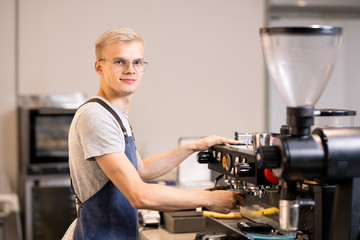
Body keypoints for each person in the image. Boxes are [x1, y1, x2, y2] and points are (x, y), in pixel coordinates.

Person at [62, 27, 245, 240]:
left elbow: (141, 169)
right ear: (99, 67)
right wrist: (208, 199)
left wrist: (193, 146)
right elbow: (138, 194)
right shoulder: (96, 116)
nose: (131, 69)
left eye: (137, 62)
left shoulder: (115, 115)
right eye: (120, 62)